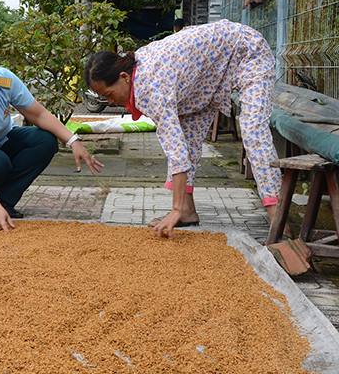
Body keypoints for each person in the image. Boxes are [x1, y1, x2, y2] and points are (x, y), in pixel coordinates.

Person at [84, 19, 282, 239]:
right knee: (187, 137)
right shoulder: (137, 72)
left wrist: (173, 210)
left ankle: (279, 222)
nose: (110, 102)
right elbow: (179, 144)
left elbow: (175, 151)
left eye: (110, 95)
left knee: (253, 131)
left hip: (247, 52)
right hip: (207, 76)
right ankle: (187, 210)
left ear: (124, 77)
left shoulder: (151, 87)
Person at [0, 47, 104, 232]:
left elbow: (38, 114)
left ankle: (4, 201)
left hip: (1, 140)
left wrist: (73, 141)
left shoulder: (5, 80)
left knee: (45, 140)